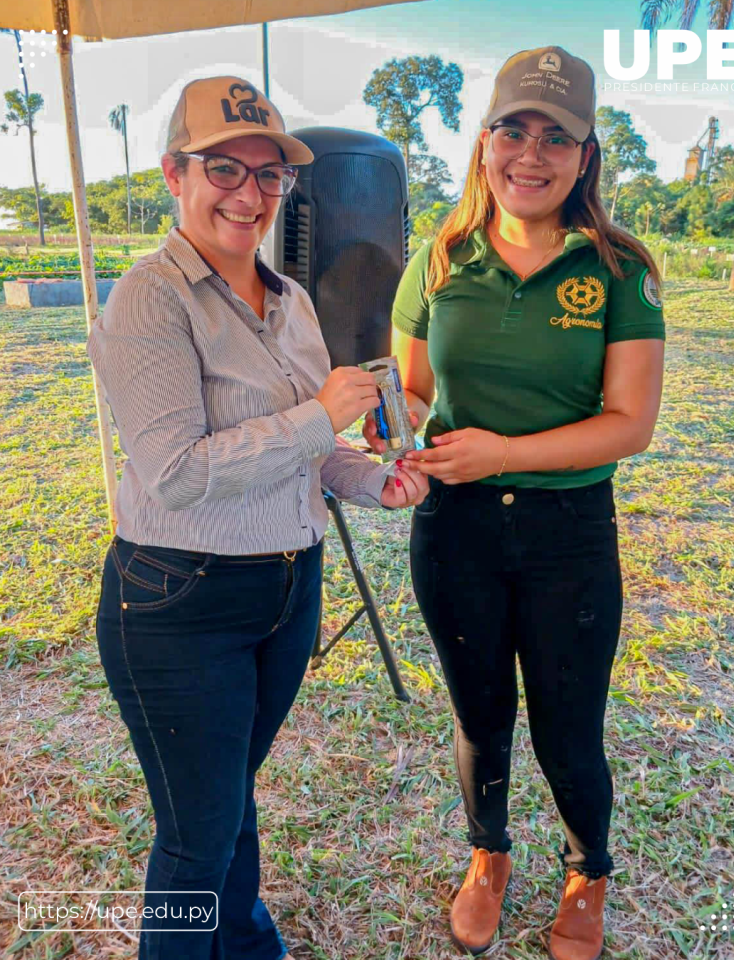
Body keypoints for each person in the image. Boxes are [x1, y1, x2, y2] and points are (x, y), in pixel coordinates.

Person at [87, 76, 426, 960]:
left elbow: (307, 455)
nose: (249, 193)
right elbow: (175, 473)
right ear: (175, 172)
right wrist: (322, 415)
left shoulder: (295, 301)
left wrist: (366, 481)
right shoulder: (149, 300)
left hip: (286, 592)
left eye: (270, 175)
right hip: (180, 602)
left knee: (231, 798)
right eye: (224, 169)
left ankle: (243, 942)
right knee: (196, 834)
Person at [365, 46, 665, 959]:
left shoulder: (618, 268)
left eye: (555, 137)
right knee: (479, 712)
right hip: (452, 528)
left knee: (569, 723)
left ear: (585, 156)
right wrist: (394, 427)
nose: (529, 156)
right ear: (484, 142)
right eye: (513, 132)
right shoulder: (440, 256)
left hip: (568, 531)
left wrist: (504, 452)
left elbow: (629, 424)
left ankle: (587, 871)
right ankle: (488, 856)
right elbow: (413, 391)